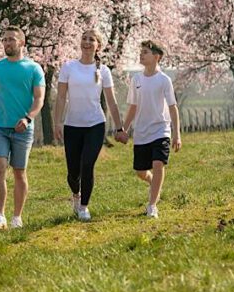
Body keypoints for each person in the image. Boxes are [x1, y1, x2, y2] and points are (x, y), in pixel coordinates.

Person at [0, 26, 45, 230]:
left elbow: (39, 99)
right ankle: (0, 215)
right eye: (4, 40)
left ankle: (17, 217)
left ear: (22, 43)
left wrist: (28, 118)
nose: (7, 43)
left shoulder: (34, 69)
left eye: (11, 39)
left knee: (19, 172)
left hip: (23, 127)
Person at [53, 30, 126, 221]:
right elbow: (61, 97)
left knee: (87, 165)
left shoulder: (103, 71)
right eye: (84, 38)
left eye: (91, 39)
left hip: (95, 124)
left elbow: (111, 100)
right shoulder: (69, 67)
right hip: (72, 125)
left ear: (98, 46)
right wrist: (57, 122)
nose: (86, 42)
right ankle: (76, 196)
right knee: (72, 172)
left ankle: (84, 206)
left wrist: (119, 128)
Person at [121, 40, 181, 219]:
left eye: (145, 52)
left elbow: (172, 107)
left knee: (158, 164)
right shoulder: (136, 79)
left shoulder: (164, 80)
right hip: (141, 132)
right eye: (141, 52)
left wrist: (176, 134)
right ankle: (153, 182)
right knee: (141, 172)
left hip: (161, 130)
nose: (141, 55)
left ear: (157, 57)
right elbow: (132, 106)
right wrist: (124, 129)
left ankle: (152, 205)